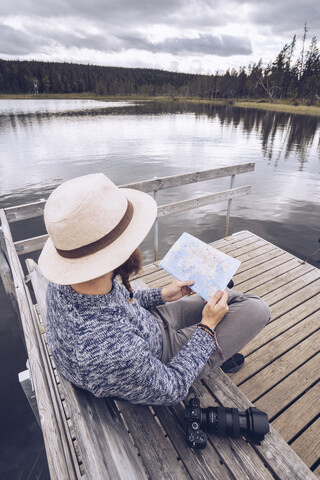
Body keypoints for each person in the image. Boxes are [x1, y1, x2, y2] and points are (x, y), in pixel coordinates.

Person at [38, 173, 270, 406]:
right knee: (257, 309)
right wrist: (207, 329)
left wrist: (161, 294)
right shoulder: (111, 351)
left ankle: (218, 347)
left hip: (146, 324)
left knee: (224, 297)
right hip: (159, 355)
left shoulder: (69, 283)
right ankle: (215, 350)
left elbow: (111, 304)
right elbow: (173, 388)